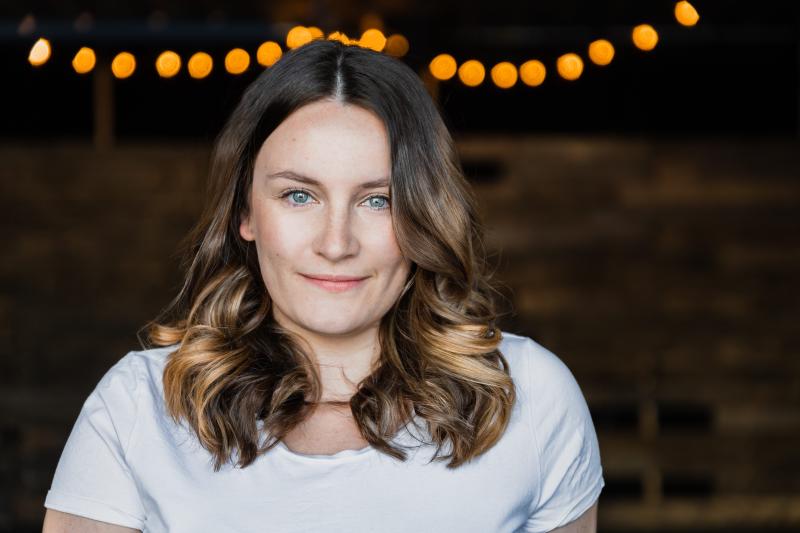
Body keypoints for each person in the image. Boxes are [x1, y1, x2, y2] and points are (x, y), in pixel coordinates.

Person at [42, 38, 604, 533]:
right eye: (298, 195)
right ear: (246, 213)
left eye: (377, 200)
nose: (336, 244)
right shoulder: (140, 408)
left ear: (424, 217)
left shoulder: (528, 397)